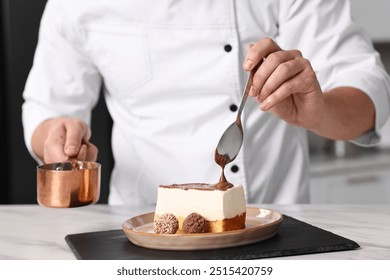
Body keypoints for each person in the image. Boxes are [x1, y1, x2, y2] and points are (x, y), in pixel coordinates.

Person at [22, 0, 390, 205]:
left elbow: (365, 88)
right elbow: (47, 106)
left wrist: (320, 111)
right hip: (140, 231)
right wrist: (57, 136)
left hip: (276, 227)